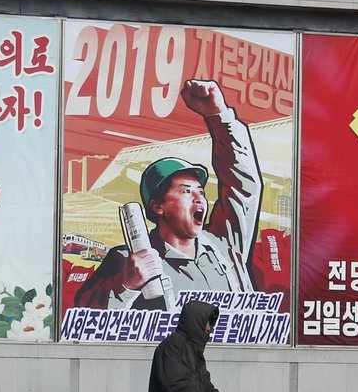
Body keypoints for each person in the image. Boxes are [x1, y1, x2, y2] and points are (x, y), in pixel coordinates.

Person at [74, 79, 262, 310]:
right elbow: (85, 315)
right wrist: (125, 286)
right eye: (186, 191)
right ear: (157, 206)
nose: (199, 198)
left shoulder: (224, 246)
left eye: (200, 191)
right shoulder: (126, 260)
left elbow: (242, 187)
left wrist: (219, 116)